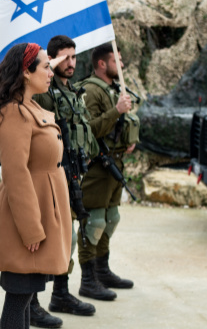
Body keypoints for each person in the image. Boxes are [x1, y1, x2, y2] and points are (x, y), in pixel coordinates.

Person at [0, 42, 73, 329]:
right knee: (19, 296)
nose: (51, 72)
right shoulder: (14, 113)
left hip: (43, 209)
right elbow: (16, 173)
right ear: (26, 73)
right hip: (28, 216)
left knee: (27, 295)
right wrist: (31, 227)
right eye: (45, 66)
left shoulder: (30, 106)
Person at [30, 35, 99, 326]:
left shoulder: (73, 91)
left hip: (72, 173)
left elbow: (83, 131)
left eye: (74, 57)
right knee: (40, 239)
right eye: (63, 58)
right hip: (48, 174)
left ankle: (60, 293)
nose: (71, 63)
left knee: (66, 238)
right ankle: (30, 302)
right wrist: (47, 66)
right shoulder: (45, 91)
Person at [74, 42, 137, 302]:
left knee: (111, 219)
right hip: (98, 167)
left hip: (115, 164)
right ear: (102, 63)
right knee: (94, 222)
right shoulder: (91, 90)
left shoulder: (113, 89)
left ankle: (102, 270)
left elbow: (116, 125)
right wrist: (117, 110)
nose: (121, 65)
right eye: (116, 60)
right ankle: (88, 280)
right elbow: (90, 130)